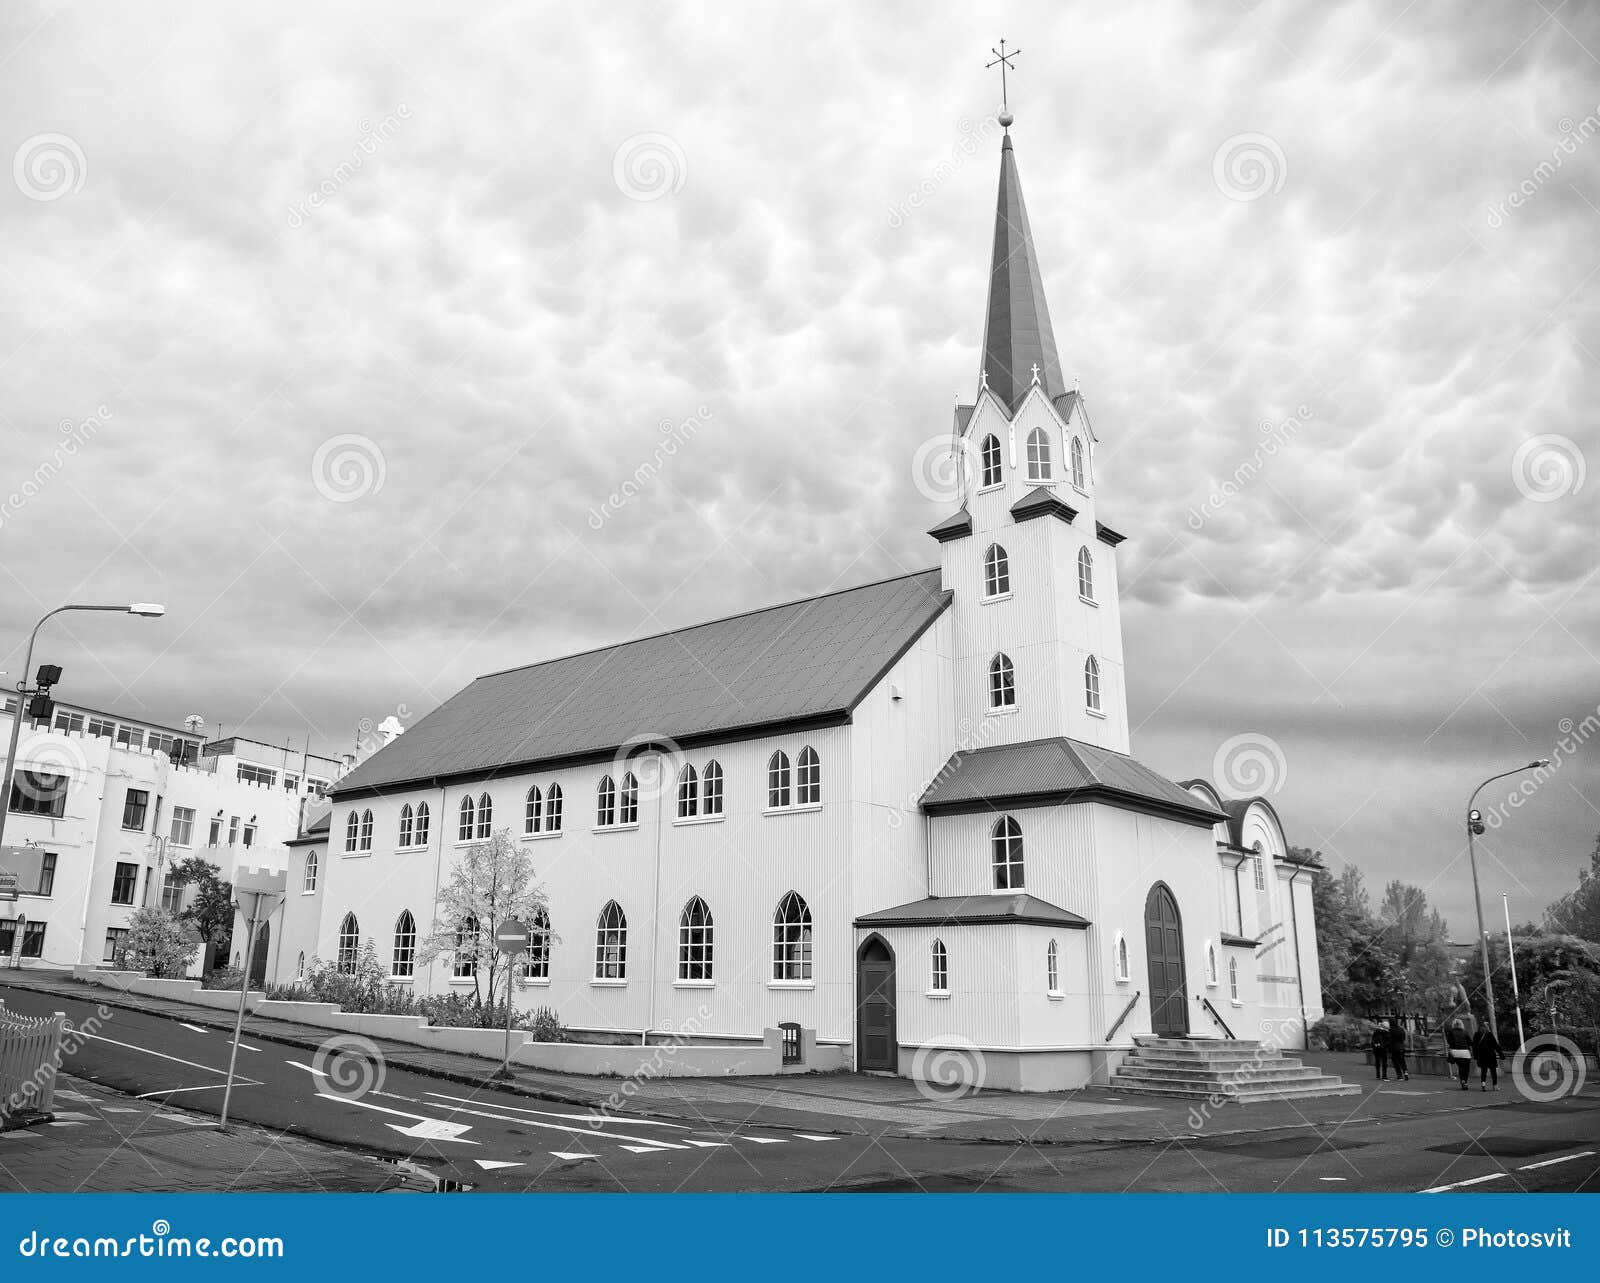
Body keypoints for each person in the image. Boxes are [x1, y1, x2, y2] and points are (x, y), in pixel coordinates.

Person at [1445, 1019, 1473, 1089]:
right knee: (1466, 1068)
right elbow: (1470, 1042)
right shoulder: (1465, 1032)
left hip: (1455, 1052)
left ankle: (1462, 1080)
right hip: (1465, 1052)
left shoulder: (1451, 1032)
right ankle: (1465, 1081)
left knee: (1460, 1067)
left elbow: (1449, 1042)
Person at [1472, 1024, 1501, 1091]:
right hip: (1491, 1056)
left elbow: (1474, 1046)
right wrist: (1501, 1055)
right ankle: (1495, 1086)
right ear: (1487, 1028)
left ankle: (1483, 1084)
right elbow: (1495, 1045)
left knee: (1483, 1070)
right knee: (1493, 1071)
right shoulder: (1489, 1034)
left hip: (1481, 1056)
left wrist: (1475, 1056)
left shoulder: (1476, 1035)